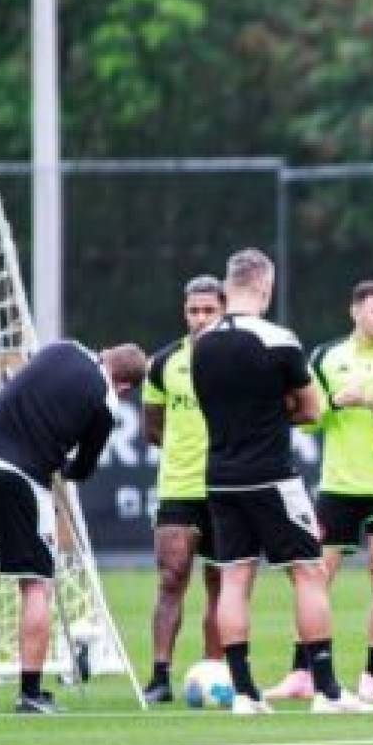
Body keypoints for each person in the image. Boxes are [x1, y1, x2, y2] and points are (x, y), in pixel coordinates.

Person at [191, 248, 373, 715]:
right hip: (271, 476)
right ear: (265, 286)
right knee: (308, 573)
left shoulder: (202, 344)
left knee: (234, 578)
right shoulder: (278, 339)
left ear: (228, 286)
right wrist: (279, 410)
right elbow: (312, 409)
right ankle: (329, 691)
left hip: (221, 477)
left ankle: (245, 694)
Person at [0, 338, 146, 714]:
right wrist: (61, 467)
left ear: (105, 353)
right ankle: (30, 692)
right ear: (125, 385)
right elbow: (84, 467)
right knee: (36, 583)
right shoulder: (105, 403)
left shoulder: (61, 349)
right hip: (22, 475)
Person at [262, 280, 373, 702]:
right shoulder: (328, 357)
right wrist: (338, 404)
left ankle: (370, 675)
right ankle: (301, 672)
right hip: (339, 485)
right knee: (315, 575)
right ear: (355, 312)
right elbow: (308, 418)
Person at [140, 275, 227, 703]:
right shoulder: (164, 363)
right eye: (194, 311)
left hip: (226, 484)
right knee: (171, 580)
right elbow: (152, 426)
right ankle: (160, 676)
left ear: (223, 311)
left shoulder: (235, 360)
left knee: (220, 583)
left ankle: (217, 672)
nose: (201, 319)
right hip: (179, 486)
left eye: (209, 310)